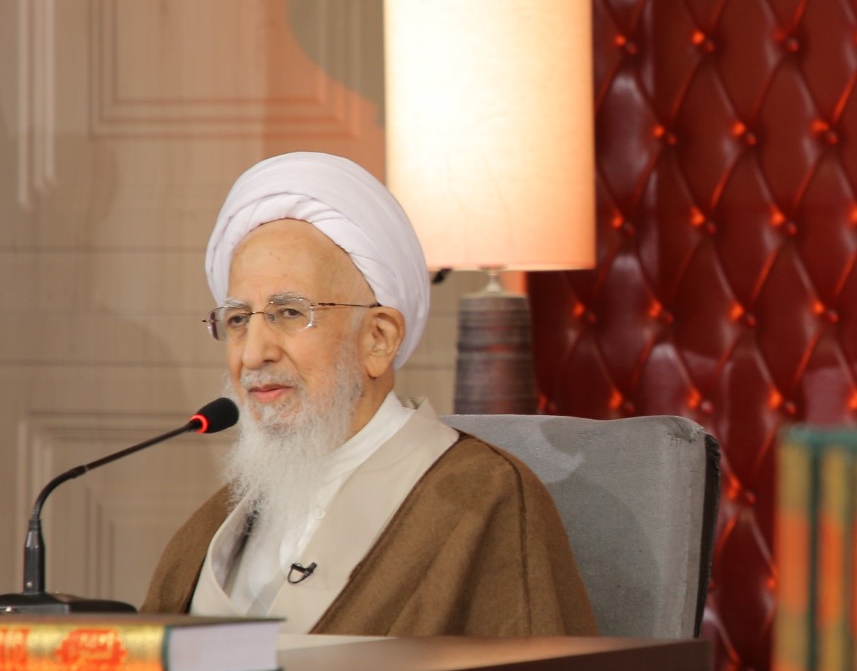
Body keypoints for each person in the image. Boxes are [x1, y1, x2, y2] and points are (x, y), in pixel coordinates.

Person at [142, 151, 597, 636]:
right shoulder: (211, 528)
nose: (253, 354)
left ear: (378, 339)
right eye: (237, 319)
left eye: (290, 313)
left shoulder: (483, 498)